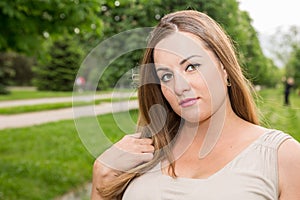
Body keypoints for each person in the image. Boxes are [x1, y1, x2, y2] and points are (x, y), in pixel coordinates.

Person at [91, 10, 300, 200]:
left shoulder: (283, 157)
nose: (179, 86)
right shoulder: (143, 151)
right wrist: (101, 175)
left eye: (191, 66)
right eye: (166, 76)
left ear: (224, 68)